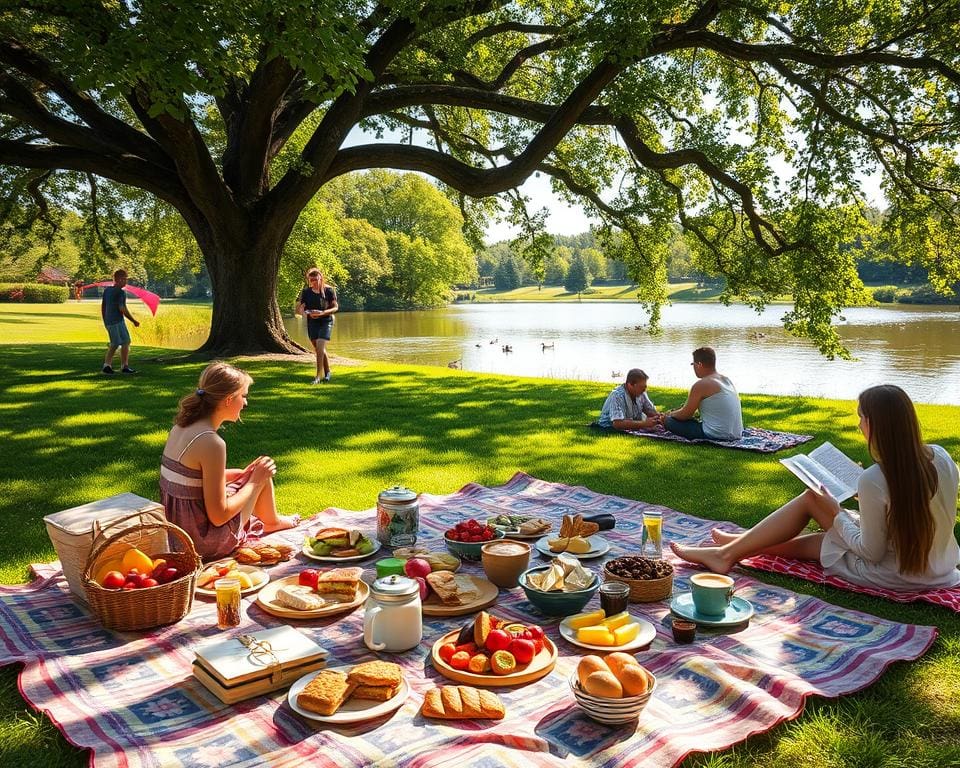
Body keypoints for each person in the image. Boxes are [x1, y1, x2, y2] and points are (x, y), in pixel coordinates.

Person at [671, 385, 960, 591]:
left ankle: (729, 553)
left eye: (861, 417)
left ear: (875, 424)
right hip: (939, 569)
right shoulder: (942, 457)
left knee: (813, 501)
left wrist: (837, 512)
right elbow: (915, 503)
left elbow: (870, 553)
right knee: (822, 541)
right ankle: (739, 544)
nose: (859, 425)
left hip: (893, 574)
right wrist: (861, 497)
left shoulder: (876, 478)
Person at [159, 362, 298, 561]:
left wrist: (240, 474)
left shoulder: (181, 428)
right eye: (243, 396)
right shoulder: (211, 442)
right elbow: (219, 515)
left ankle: (273, 520)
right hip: (203, 543)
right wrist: (254, 482)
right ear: (228, 400)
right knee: (260, 475)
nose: (245, 403)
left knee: (257, 471)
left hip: (177, 536)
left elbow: (187, 480)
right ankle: (273, 522)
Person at [663, 346, 742, 440]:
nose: (693, 368)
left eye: (693, 364)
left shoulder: (701, 384)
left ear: (699, 364)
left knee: (667, 421)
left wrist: (669, 415)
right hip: (736, 433)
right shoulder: (726, 380)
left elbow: (685, 415)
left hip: (717, 435)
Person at [296, 267, 339, 384]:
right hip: (312, 322)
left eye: (316, 279)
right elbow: (300, 307)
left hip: (326, 320)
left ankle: (317, 377)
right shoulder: (306, 292)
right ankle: (328, 372)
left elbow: (335, 307)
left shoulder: (329, 290)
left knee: (320, 347)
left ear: (321, 278)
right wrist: (304, 313)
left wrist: (323, 313)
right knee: (319, 349)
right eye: (311, 280)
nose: (314, 282)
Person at [100, 269, 140, 374]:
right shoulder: (120, 292)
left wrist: (105, 320)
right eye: (125, 279)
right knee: (115, 343)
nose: (126, 282)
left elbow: (103, 307)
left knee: (126, 341)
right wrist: (133, 320)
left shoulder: (108, 290)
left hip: (114, 321)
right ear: (119, 279)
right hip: (114, 321)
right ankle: (106, 366)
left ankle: (124, 366)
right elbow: (122, 308)